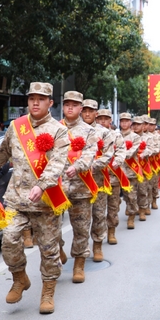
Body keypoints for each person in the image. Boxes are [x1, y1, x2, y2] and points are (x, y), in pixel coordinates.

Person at [0, 82, 70, 314]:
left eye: (41, 98)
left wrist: (42, 185)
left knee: (48, 250)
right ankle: (19, 277)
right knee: (8, 240)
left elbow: (57, 163)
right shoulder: (16, 127)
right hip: (17, 199)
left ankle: (48, 290)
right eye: (31, 98)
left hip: (45, 202)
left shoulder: (58, 130)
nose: (35, 102)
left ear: (50, 103)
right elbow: (1, 154)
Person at [57, 91, 98, 284]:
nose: (70, 108)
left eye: (75, 105)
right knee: (50, 228)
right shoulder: (54, 128)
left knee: (81, 228)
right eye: (67, 104)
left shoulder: (89, 131)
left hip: (80, 187)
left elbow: (90, 154)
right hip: (57, 188)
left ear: (81, 108)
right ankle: (58, 248)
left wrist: (78, 166)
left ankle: (79, 264)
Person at [81, 98, 111, 263]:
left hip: (97, 180)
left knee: (99, 215)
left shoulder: (104, 132)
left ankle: (97, 245)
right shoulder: (70, 130)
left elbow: (108, 154)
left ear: (96, 113)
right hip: (76, 183)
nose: (87, 113)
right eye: (84, 110)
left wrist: (92, 165)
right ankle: (79, 251)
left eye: (90, 111)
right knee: (80, 220)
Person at [96, 108, 128, 244]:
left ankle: (111, 232)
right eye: (100, 118)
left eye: (106, 119)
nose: (103, 121)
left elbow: (122, 151)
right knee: (98, 211)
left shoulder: (116, 136)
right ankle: (98, 237)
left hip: (113, 177)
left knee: (113, 207)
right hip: (97, 178)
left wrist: (116, 161)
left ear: (110, 120)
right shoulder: (91, 133)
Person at [117, 112, 143, 229]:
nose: (124, 123)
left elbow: (132, 151)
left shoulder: (135, 137)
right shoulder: (115, 136)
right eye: (122, 121)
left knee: (131, 196)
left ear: (130, 123)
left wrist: (120, 154)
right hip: (116, 171)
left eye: (127, 121)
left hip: (130, 171)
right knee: (117, 197)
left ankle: (131, 217)